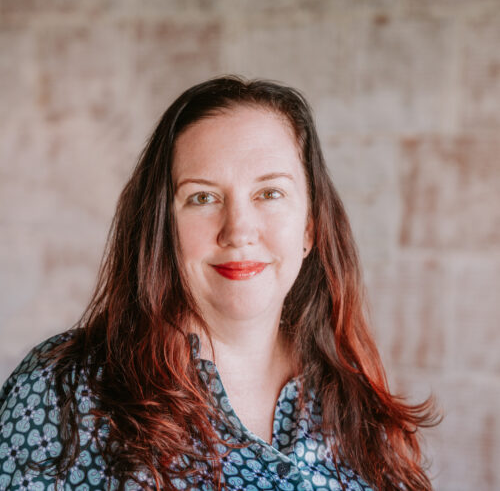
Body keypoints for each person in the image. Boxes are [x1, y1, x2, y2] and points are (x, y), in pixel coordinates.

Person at [0, 76, 438, 491]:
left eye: (269, 193)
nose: (239, 230)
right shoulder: (62, 391)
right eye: (202, 197)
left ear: (310, 228)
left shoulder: (362, 413)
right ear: (162, 229)